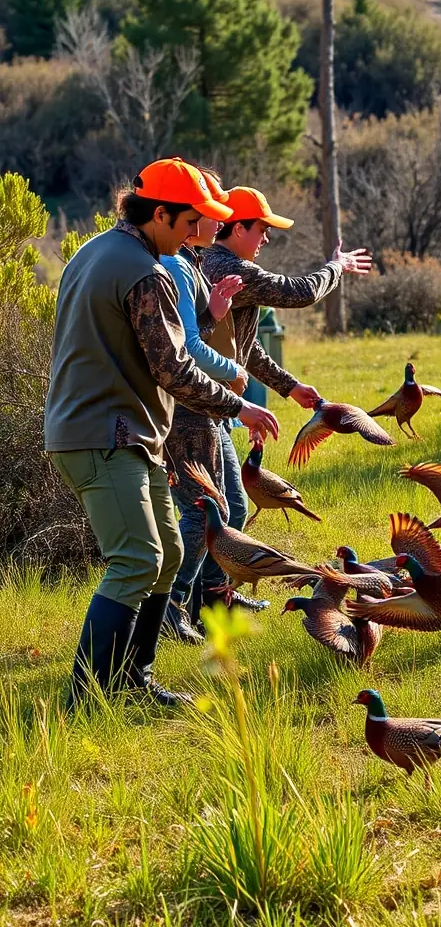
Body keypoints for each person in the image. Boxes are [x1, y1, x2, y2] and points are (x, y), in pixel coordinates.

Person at [44, 157, 279, 708]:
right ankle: (89, 697)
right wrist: (239, 406)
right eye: (194, 219)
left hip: (122, 432)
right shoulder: (146, 273)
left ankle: (133, 678)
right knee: (135, 561)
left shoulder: (100, 250)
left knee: (168, 553)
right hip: (105, 436)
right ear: (162, 214)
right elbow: (173, 368)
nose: (203, 230)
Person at [197, 186, 371, 599]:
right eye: (261, 228)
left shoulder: (222, 263)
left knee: (226, 508)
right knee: (219, 510)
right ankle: (193, 603)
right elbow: (302, 293)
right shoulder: (228, 268)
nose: (266, 238)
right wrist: (337, 266)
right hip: (205, 403)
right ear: (237, 228)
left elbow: (246, 347)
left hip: (216, 403)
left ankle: (213, 596)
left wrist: (289, 387)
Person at [159, 171, 267, 645]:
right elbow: (187, 350)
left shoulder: (191, 263)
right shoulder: (180, 267)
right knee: (205, 512)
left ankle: (212, 600)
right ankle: (174, 605)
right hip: (192, 407)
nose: (218, 218)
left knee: (232, 506)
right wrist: (233, 373)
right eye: (212, 210)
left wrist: (212, 311)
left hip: (208, 406)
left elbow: (189, 329)